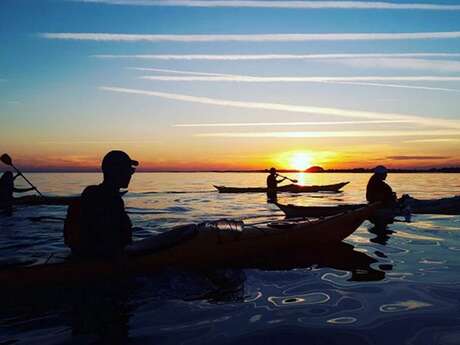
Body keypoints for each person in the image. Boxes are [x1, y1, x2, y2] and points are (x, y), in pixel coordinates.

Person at [67, 151, 138, 258]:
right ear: (116, 172)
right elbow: (110, 240)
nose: (130, 174)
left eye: (132, 171)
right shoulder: (110, 200)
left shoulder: (93, 194)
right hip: (100, 262)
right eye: (129, 170)